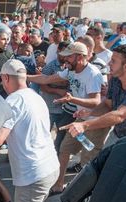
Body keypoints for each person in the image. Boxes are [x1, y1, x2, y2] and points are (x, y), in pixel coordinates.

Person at [0, 59, 59, 202]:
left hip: (33, 175)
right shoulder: (34, 95)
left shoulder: (13, 100)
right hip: (50, 167)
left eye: (1, 80)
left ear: (6, 78)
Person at [27, 42, 106, 193]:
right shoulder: (71, 71)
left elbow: (95, 101)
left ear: (80, 57)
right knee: (64, 149)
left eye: (69, 57)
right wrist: (24, 76)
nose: (65, 60)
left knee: (87, 159)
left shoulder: (92, 74)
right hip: (81, 119)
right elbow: (46, 79)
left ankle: (84, 193)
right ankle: (59, 184)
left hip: (95, 122)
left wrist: (72, 100)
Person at [60, 45, 126, 147]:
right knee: (104, 161)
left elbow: (120, 115)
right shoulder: (116, 79)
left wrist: (85, 125)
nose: (108, 63)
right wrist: (90, 113)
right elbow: (107, 105)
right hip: (118, 134)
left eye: (113, 61)